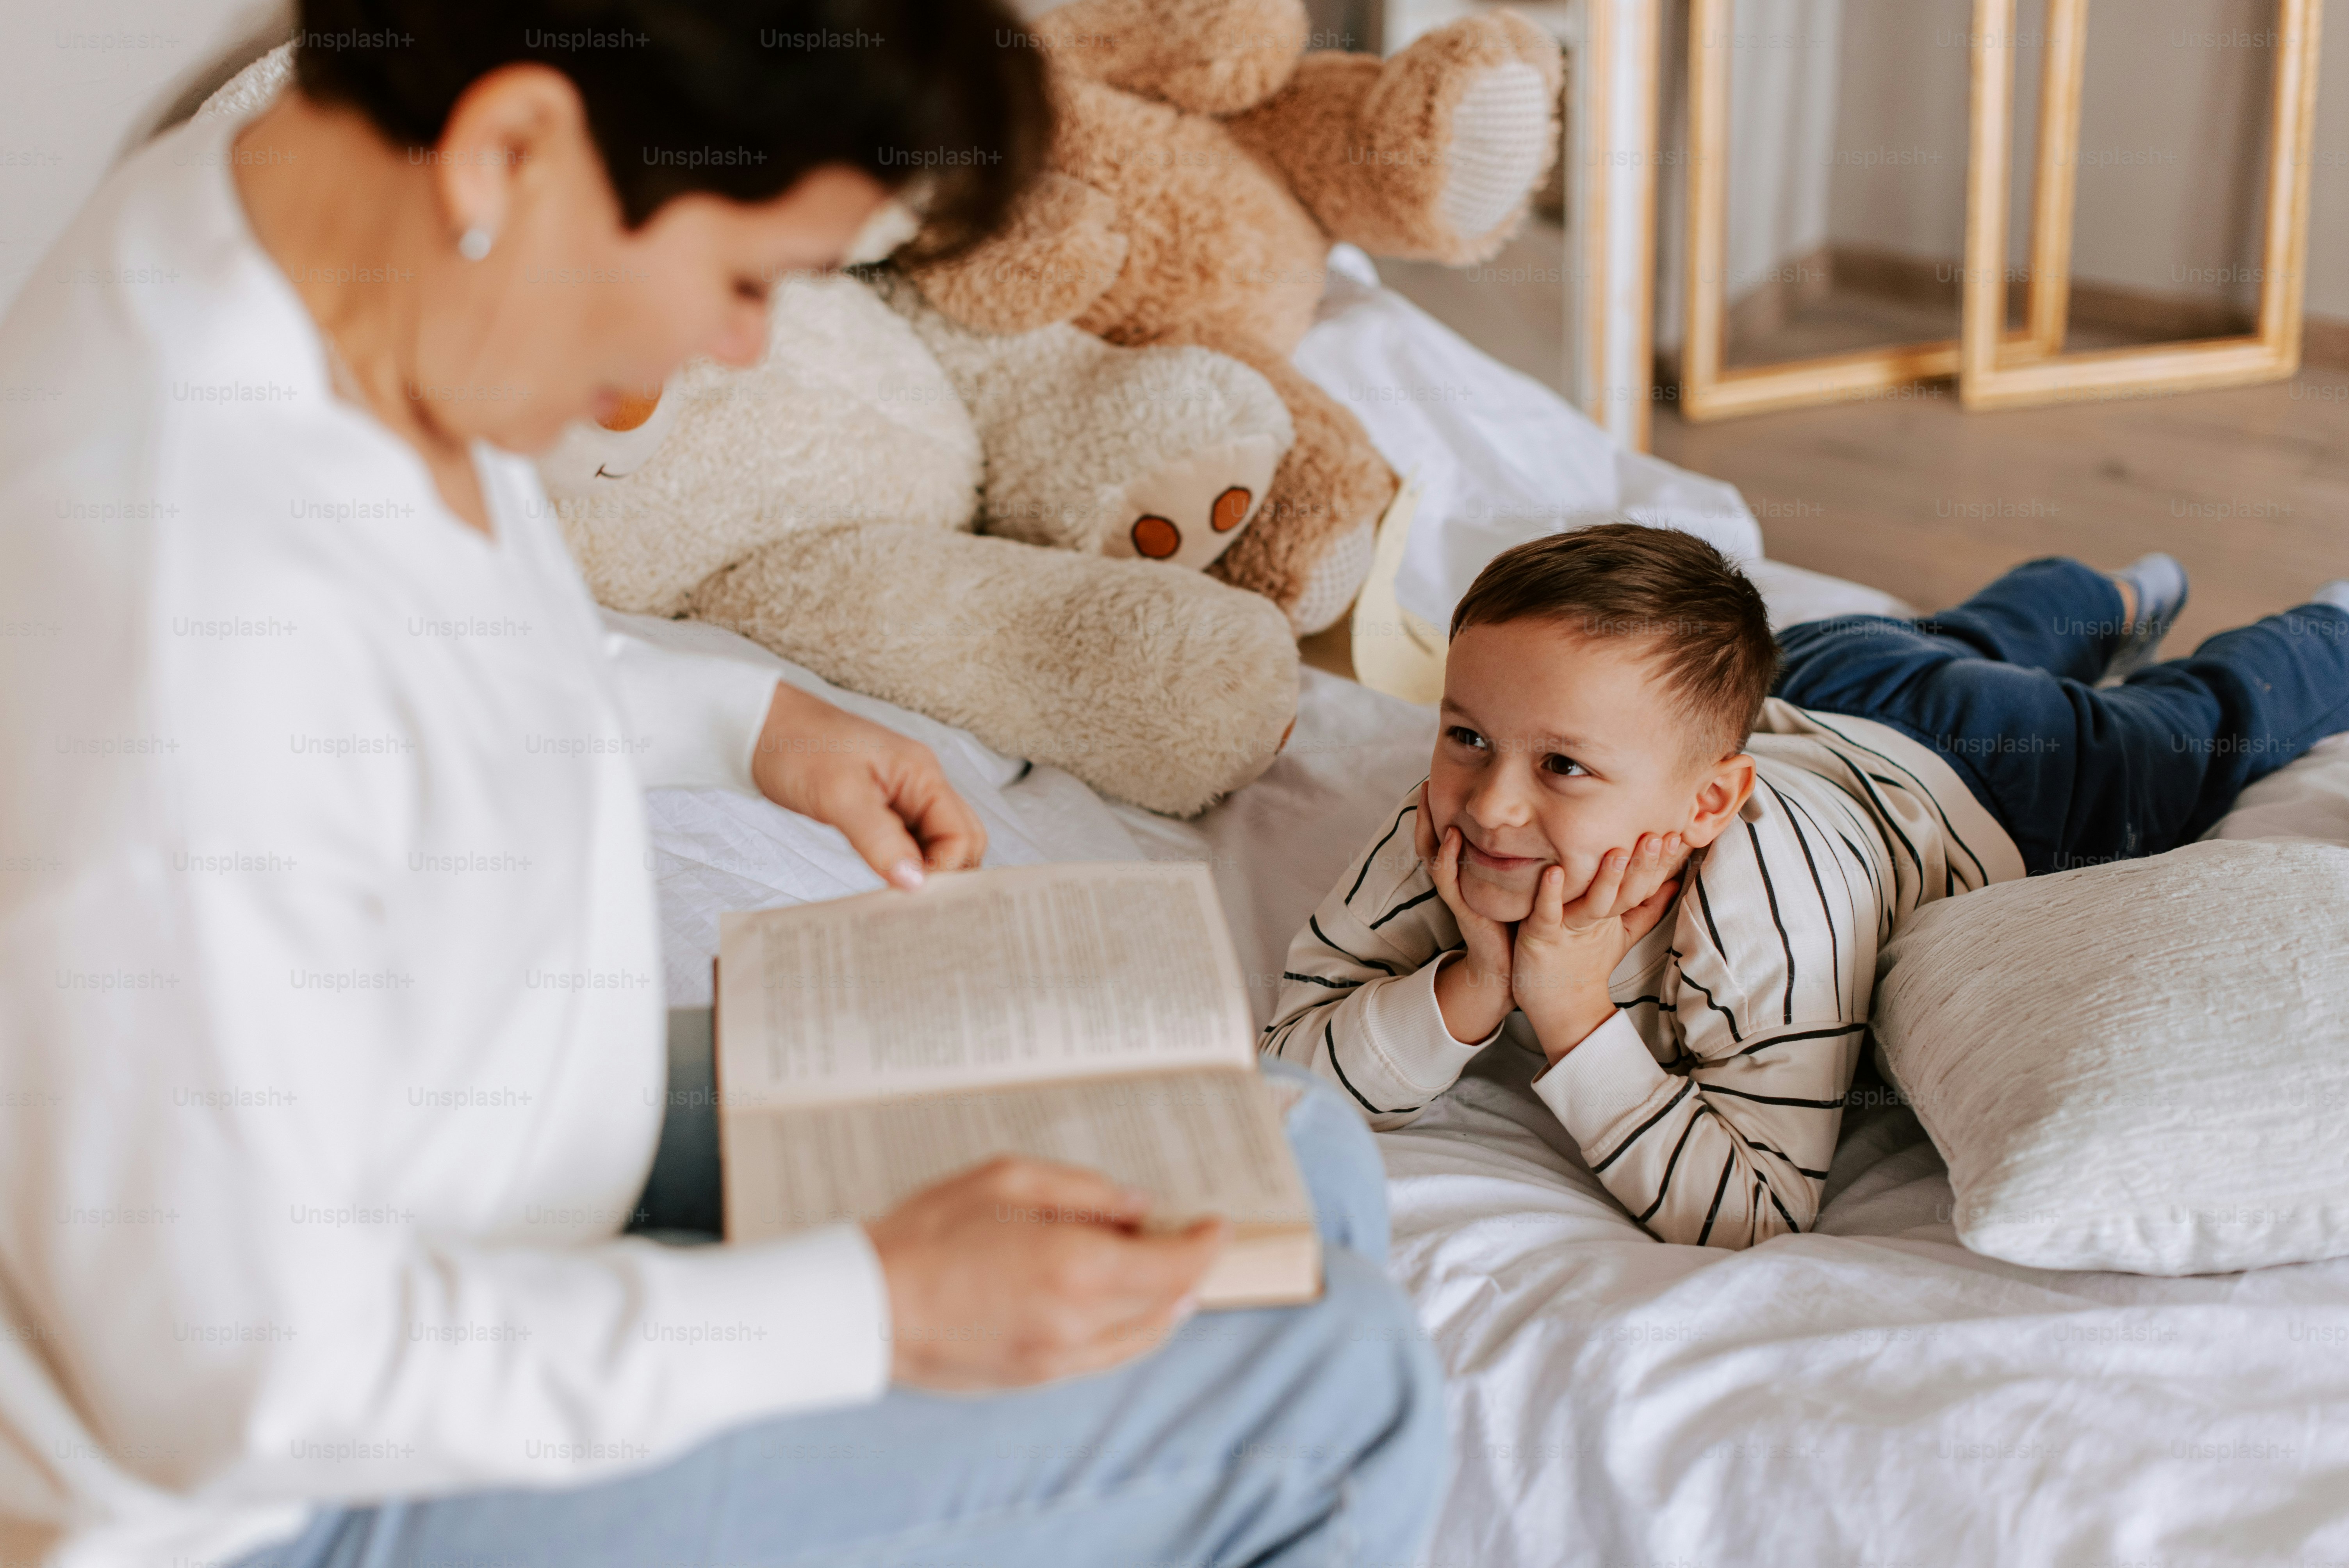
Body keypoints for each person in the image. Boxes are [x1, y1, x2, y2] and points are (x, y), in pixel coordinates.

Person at [0, 3, 1445, 1565]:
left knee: (1274, 1152)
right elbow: (237, 1375)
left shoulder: (325, 221)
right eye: (746, 276)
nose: (741, 343)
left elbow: (402, 663)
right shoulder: (176, 609)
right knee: (1332, 1391)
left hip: (483, 1156)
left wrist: (742, 717)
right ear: (515, 150)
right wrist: (878, 1308)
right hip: (290, 1482)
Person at [1266, 522, 2349, 1247]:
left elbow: (1754, 1206)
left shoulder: (1761, 908)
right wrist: (1476, 982)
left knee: (2193, 732)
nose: (1493, 802)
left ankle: (2316, 624)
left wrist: (1572, 1014)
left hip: (1987, 767)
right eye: (1465, 734)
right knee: (1959, 639)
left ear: (1703, 808)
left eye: (1562, 766)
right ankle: (2104, 592)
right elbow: (1294, 1065)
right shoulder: (1450, 837)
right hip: (1820, 673)